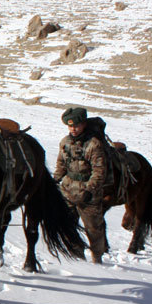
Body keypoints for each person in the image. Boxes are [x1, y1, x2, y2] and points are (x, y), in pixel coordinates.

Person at [53, 107, 108, 263]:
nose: (73, 129)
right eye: (70, 126)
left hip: (88, 193)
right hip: (68, 190)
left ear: (84, 124)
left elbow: (99, 171)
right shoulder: (65, 142)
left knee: (93, 229)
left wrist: (89, 190)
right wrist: (54, 180)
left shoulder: (93, 144)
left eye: (76, 126)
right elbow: (61, 165)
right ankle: (77, 257)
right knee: (68, 226)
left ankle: (97, 258)